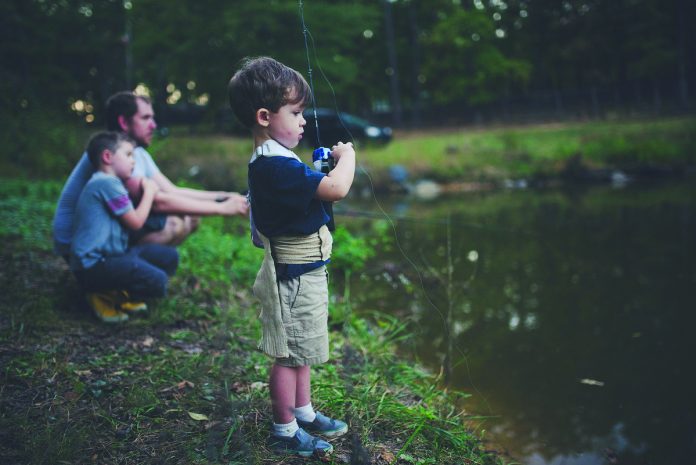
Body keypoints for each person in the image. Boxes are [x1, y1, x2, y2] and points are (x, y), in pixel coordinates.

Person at [228, 56, 356, 458]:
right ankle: (284, 429)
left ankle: (303, 410)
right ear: (265, 116)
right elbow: (335, 189)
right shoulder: (274, 166)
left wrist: (319, 170)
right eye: (296, 112)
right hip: (295, 277)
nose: (303, 121)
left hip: (306, 272)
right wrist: (347, 158)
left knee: (302, 350)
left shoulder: (277, 160)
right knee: (288, 356)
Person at [53, 91, 249, 258]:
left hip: (104, 233)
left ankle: (134, 275)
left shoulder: (135, 153)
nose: (154, 125)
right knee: (174, 223)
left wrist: (224, 196)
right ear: (123, 121)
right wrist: (224, 209)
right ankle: (120, 281)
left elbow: (172, 190)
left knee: (191, 217)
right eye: (145, 118)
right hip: (77, 244)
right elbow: (158, 201)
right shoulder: (114, 158)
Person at [70, 131, 179, 323]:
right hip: (92, 266)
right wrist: (150, 191)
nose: (134, 161)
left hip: (113, 256)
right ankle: (101, 295)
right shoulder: (105, 183)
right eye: (128, 155)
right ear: (107, 157)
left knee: (170, 256)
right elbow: (136, 222)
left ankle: (117, 291)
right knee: (158, 281)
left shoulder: (110, 183)